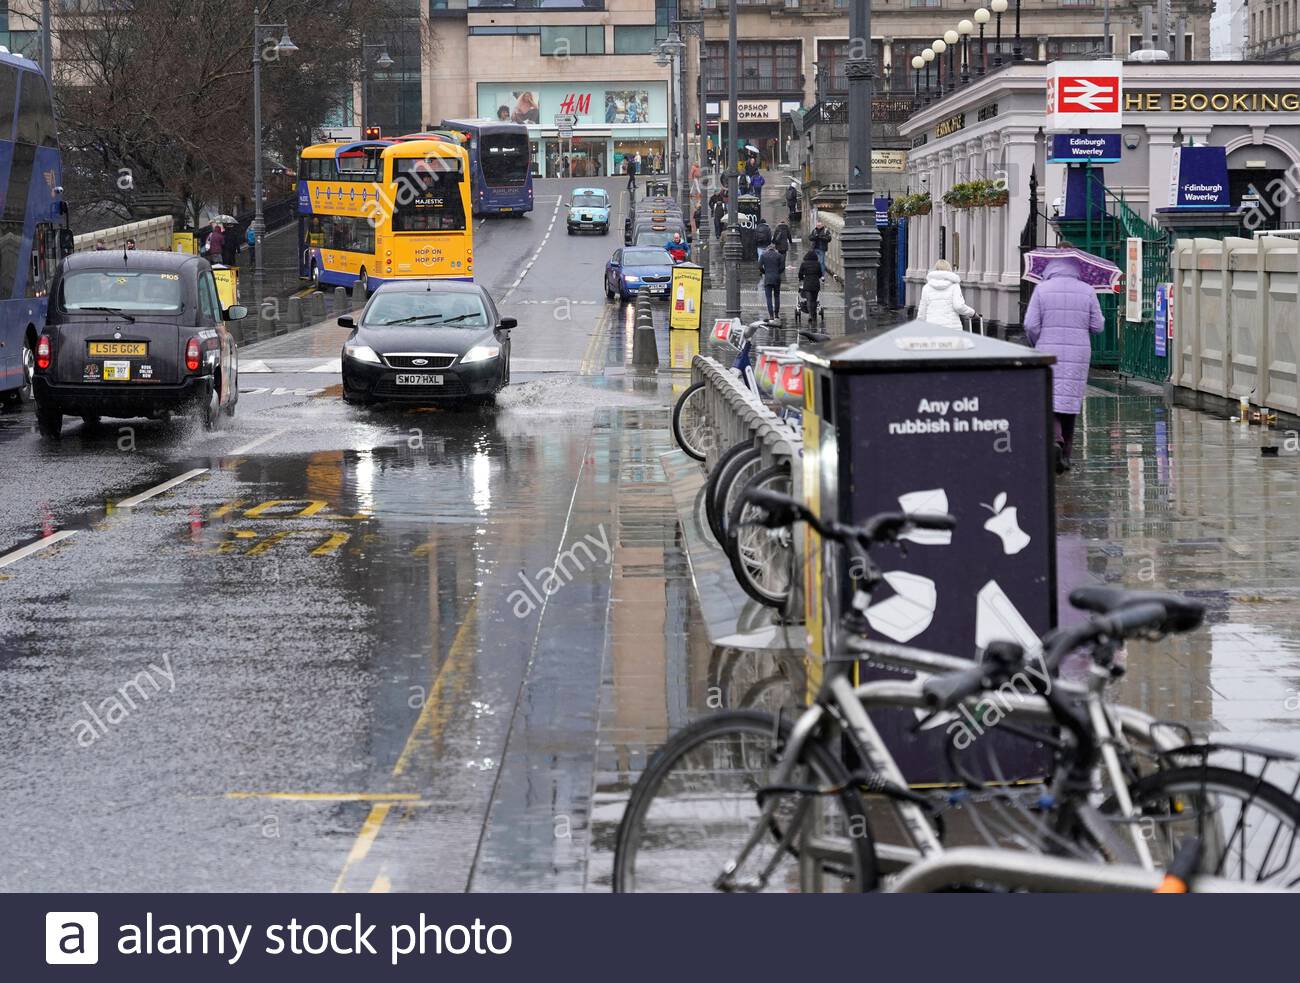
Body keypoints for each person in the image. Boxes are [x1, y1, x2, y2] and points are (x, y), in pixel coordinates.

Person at [1023, 257, 1104, 474]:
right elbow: (1098, 326)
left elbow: (1030, 325)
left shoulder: (1041, 289)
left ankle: (1055, 441)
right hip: (1078, 353)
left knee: (1049, 398)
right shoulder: (1087, 290)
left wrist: (1037, 342)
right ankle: (1066, 454)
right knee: (1070, 401)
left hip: (1047, 351)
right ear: (1078, 268)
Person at [915, 259, 975, 331]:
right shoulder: (954, 286)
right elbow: (959, 306)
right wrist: (973, 313)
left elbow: (922, 311)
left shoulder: (927, 287)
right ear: (949, 270)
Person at [758, 241, 784, 319]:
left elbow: (759, 266)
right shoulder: (779, 255)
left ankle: (771, 315)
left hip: (768, 278)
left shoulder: (763, 255)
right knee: (777, 296)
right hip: (776, 278)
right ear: (774, 249)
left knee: (768, 297)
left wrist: (765, 272)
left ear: (768, 249)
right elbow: (782, 267)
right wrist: (777, 272)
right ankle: (776, 314)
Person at [798, 247, 822, 320]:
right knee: (814, 300)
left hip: (807, 283)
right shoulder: (818, 264)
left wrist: (801, 278)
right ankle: (814, 314)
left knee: (809, 300)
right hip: (815, 284)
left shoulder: (804, 264)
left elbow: (800, 274)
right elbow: (820, 274)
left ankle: (810, 315)